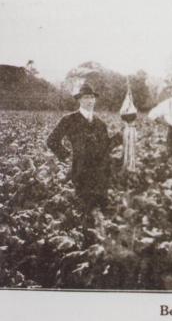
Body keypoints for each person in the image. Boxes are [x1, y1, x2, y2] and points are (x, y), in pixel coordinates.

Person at [47, 83, 122, 242]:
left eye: (92, 97)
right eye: (86, 97)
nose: (89, 100)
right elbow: (52, 141)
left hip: (101, 173)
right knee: (87, 211)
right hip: (81, 172)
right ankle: (88, 246)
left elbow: (105, 148)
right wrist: (67, 156)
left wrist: (121, 137)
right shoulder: (69, 119)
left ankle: (100, 247)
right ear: (79, 100)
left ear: (95, 100)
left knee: (101, 209)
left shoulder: (100, 123)